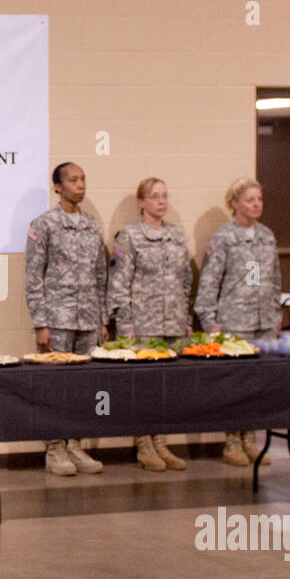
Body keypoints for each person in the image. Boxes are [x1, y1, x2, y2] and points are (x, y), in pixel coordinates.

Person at [25, 162, 108, 476]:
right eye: (73, 180)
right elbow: (34, 276)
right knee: (55, 387)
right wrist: (40, 322)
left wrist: (101, 319)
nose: (80, 185)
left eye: (83, 179)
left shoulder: (91, 225)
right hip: (57, 319)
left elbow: (100, 276)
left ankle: (75, 444)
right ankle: (54, 448)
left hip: (87, 320)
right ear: (58, 187)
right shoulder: (43, 225)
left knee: (84, 388)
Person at [193, 177, 281, 467]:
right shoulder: (223, 238)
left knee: (258, 385)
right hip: (235, 322)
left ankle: (250, 440)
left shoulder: (267, 236)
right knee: (237, 385)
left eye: (259, 199)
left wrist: (277, 315)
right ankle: (232, 441)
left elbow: (274, 279)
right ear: (234, 204)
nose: (257, 204)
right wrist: (210, 322)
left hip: (264, 322)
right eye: (250, 200)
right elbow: (208, 283)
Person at [108, 177, 192, 471]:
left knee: (166, 389)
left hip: (172, 325)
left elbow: (185, 281)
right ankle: (144, 444)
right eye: (155, 196)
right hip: (142, 325)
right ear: (141, 202)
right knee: (143, 388)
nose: (162, 201)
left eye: (165, 196)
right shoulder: (129, 236)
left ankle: (161, 443)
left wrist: (186, 320)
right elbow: (119, 285)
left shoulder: (176, 236)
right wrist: (126, 326)